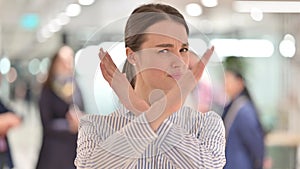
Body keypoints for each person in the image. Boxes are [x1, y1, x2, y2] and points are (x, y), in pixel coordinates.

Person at [75, 3, 226, 169]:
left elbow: (209, 166)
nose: (179, 62)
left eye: (183, 50)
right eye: (164, 51)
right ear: (132, 56)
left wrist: (138, 107)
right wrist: (153, 114)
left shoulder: (205, 124)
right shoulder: (96, 127)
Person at [36, 45, 85, 169]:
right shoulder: (48, 89)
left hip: (73, 150)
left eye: (70, 61)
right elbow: (47, 123)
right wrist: (69, 126)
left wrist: (81, 120)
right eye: (63, 62)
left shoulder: (75, 87)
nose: (67, 65)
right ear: (55, 63)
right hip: (53, 152)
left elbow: (82, 110)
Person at [222, 56, 265, 169]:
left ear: (240, 82)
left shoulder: (244, 110)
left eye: (228, 79)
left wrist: (259, 163)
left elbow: (255, 143)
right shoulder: (232, 106)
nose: (225, 83)